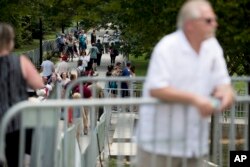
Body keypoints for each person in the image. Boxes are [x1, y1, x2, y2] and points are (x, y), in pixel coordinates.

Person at [136, 1, 235, 167]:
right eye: (209, 20)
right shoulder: (167, 47)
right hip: (159, 144)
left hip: (194, 144)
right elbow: (157, 88)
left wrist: (225, 97)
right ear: (190, 25)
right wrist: (196, 99)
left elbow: (224, 84)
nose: (215, 24)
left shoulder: (213, 47)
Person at [0, 23, 44, 167]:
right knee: (15, 159)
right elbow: (38, 84)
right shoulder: (19, 62)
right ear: (10, 41)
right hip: (16, 122)